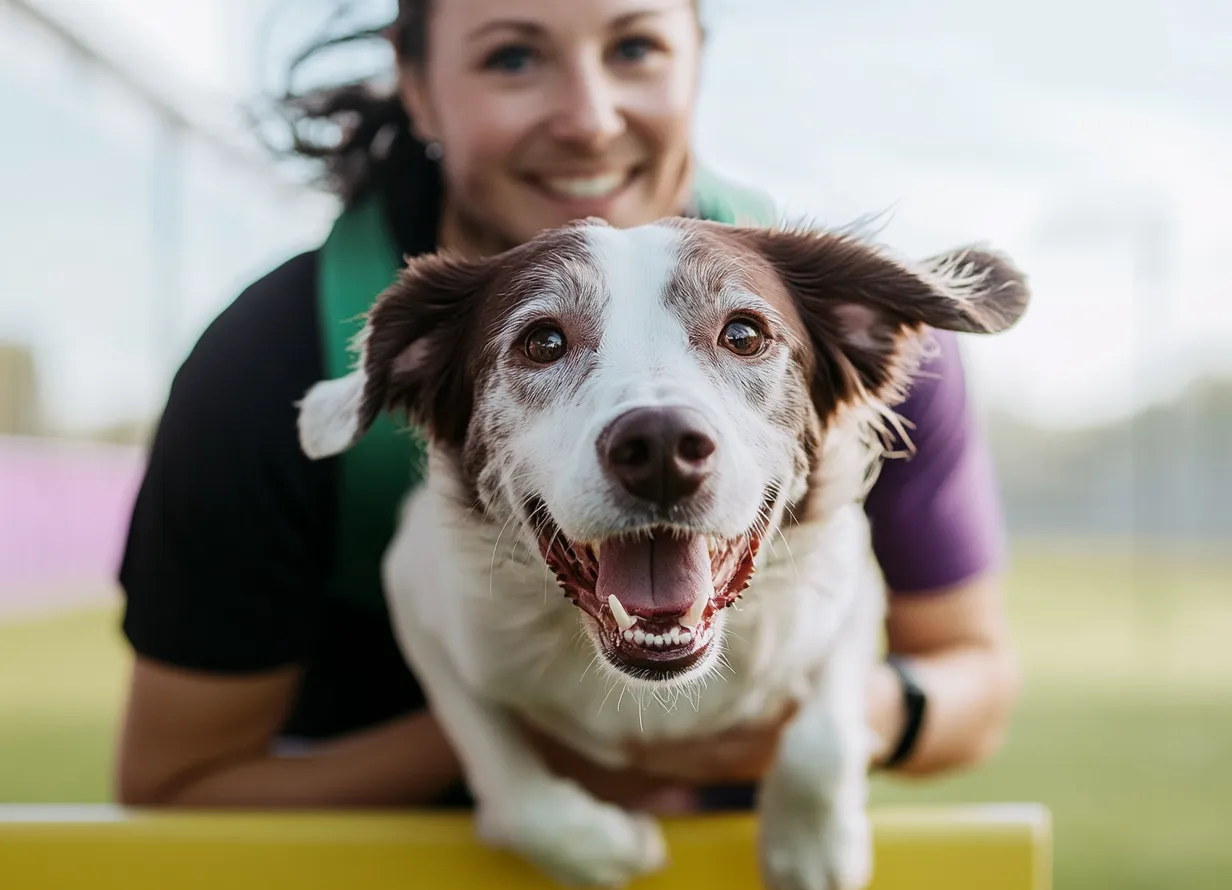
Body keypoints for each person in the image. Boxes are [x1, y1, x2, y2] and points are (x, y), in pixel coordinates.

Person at [113, 0, 1020, 812]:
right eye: (513, 57)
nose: (587, 120)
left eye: (634, 46)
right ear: (416, 85)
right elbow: (176, 783)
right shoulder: (265, 368)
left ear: (696, 59)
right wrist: (531, 756)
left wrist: (834, 730)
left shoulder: (858, 334)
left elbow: (973, 688)